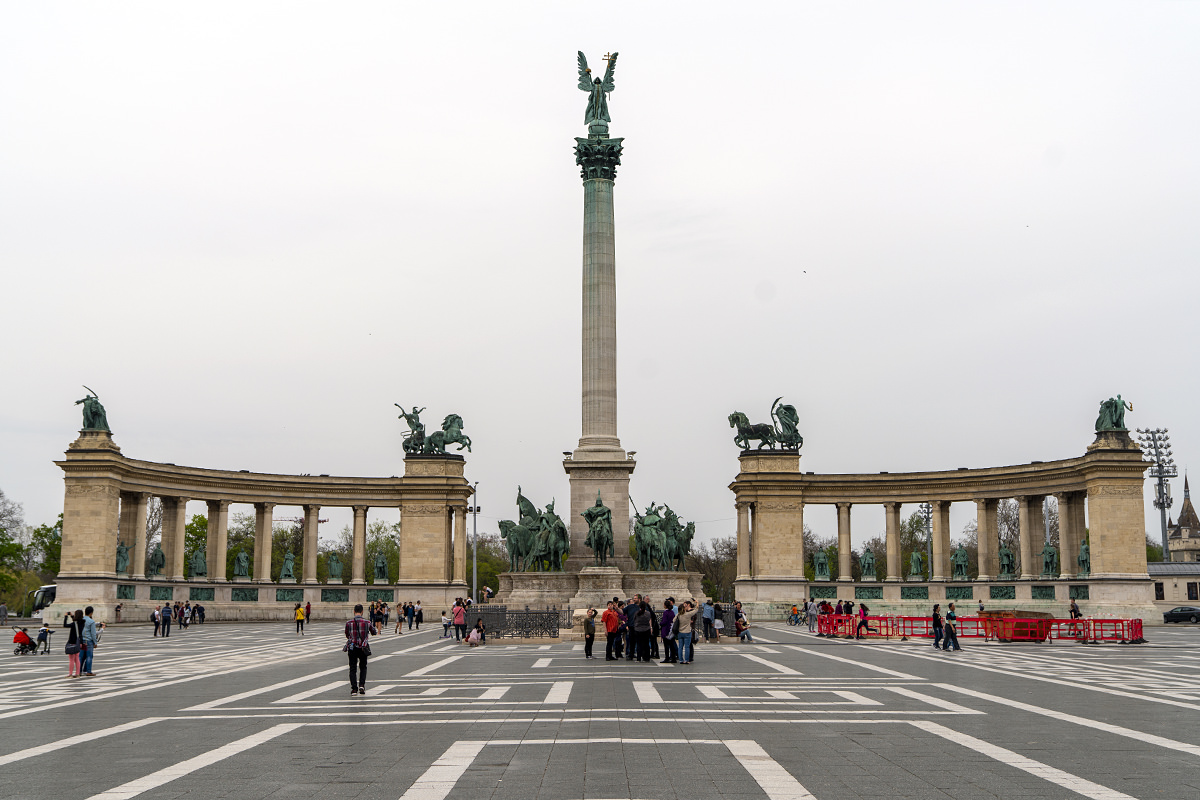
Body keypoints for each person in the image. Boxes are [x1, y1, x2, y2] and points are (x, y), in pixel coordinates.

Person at [344, 603, 373, 696]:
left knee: (352, 668)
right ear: (362, 612)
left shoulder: (349, 623)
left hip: (352, 647)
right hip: (363, 648)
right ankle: (361, 685)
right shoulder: (367, 622)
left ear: (354, 611)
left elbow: (347, 634)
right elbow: (374, 632)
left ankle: (354, 689)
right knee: (363, 667)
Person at [80, 606, 102, 676]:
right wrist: (95, 642)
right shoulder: (91, 621)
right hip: (89, 641)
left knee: (81, 656)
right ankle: (88, 671)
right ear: (91, 613)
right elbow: (93, 633)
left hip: (81, 640)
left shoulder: (81, 619)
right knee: (89, 656)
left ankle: (79, 671)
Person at [64, 609, 84, 677]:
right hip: (78, 642)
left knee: (71, 659)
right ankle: (77, 673)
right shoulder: (82, 622)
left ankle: (70, 673)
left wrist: (66, 617)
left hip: (72, 641)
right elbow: (76, 622)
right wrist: (72, 616)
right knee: (77, 658)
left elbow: (65, 625)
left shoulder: (73, 624)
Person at [660, 599, 677, 664]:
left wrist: (660, 623)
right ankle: (673, 658)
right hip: (671, 629)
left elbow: (664, 622)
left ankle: (667, 658)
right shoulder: (672, 612)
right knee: (672, 645)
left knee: (666, 646)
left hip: (666, 629)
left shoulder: (665, 612)